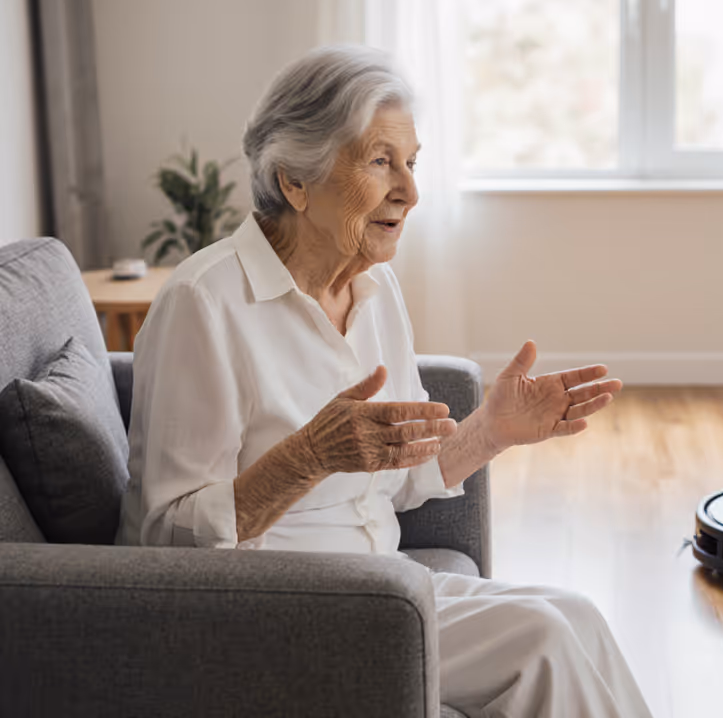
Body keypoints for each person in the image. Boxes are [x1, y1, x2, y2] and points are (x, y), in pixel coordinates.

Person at [117, 44, 653, 718]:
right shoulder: (203, 302)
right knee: (540, 639)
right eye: (379, 162)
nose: (410, 191)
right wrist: (308, 456)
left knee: (576, 615)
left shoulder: (375, 289)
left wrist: (491, 431)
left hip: (380, 588)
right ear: (295, 182)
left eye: (412, 162)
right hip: (266, 610)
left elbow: (398, 480)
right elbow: (163, 539)